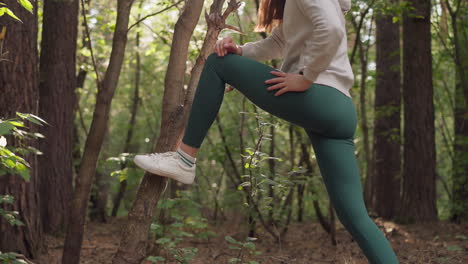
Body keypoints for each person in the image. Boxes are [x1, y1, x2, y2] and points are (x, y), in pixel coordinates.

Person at [134, 0, 399, 263]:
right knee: (355, 218)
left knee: (218, 64)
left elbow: (332, 30)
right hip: (338, 111)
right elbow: (278, 43)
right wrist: (240, 50)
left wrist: (306, 77)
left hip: (322, 95)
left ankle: (184, 159)